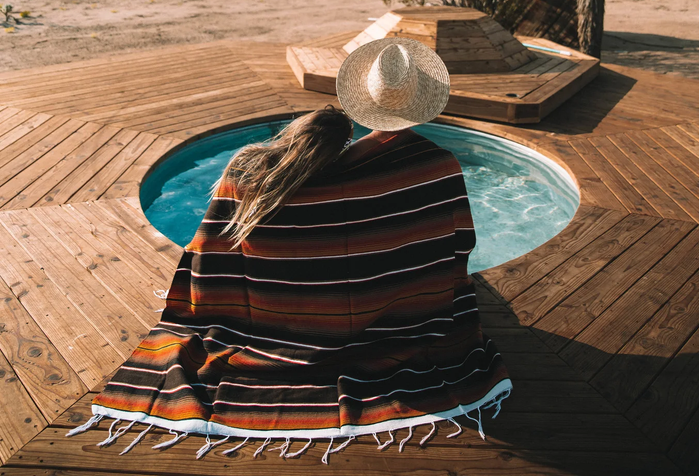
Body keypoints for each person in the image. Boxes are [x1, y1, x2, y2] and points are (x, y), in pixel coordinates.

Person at [69, 38, 512, 461]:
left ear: (362, 97)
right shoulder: (437, 167)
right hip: (404, 330)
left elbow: (211, 260)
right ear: (423, 103)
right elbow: (457, 249)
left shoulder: (247, 181)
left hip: (277, 333)